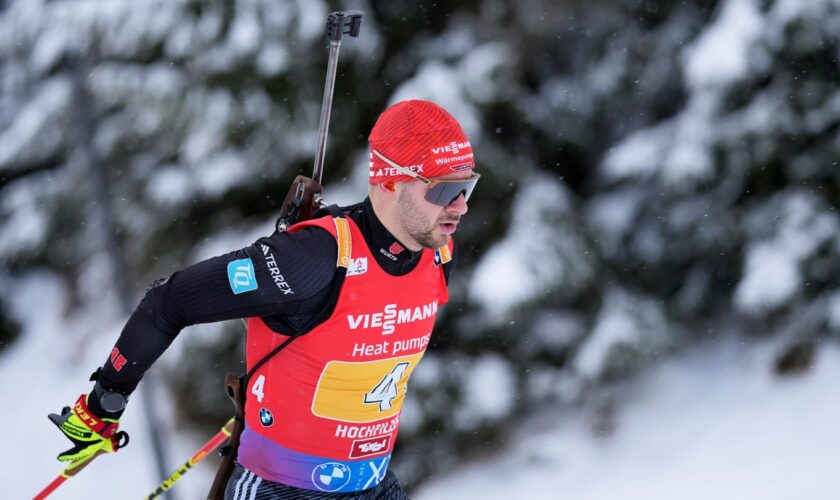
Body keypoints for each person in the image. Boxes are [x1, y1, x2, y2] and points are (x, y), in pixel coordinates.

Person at [49, 99, 480, 498]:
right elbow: (170, 300)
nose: (459, 207)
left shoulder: (439, 253)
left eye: (467, 188)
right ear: (389, 180)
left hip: (375, 484)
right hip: (281, 490)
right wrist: (106, 399)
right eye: (443, 191)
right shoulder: (314, 257)